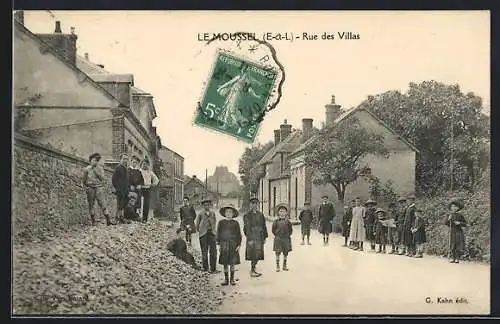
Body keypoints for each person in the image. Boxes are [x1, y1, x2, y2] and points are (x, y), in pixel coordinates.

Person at [82, 152, 113, 226]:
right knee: (91, 204)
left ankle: (108, 220)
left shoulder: (100, 168)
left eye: (96, 160)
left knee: (103, 203)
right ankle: (93, 221)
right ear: (90, 160)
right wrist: (87, 186)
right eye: (93, 160)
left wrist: (95, 171)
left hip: (98, 187)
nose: (95, 161)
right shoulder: (86, 169)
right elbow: (84, 180)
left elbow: (102, 178)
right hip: (90, 188)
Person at [216, 203, 242, 286]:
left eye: (230, 212)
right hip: (224, 244)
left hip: (233, 245)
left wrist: (238, 245)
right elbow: (218, 234)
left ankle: (232, 279)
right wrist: (219, 244)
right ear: (224, 213)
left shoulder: (236, 223)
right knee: (225, 262)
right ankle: (226, 279)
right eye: (227, 212)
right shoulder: (221, 223)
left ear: (233, 214)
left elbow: (239, 235)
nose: (228, 214)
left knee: (232, 262)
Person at [243, 196, 268, 277]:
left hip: (259, 236)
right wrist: (249, 238)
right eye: (252, 203)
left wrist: (264, 237)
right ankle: (252, 269)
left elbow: (264, 226)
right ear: (250, 205)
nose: (254, 205)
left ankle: (254, 267)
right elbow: (246, 228)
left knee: (258, 253)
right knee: (253, 253)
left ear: (258, 205)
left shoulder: (260, 215)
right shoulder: (247, 215)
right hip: (252, 236)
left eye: (256, 203)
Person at [196, 198, 218, 273]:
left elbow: (214, 222)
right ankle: (205, 268)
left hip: (211, 233)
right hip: (203, 234)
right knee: (204, 251)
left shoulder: (213, 213)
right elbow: (197, 225)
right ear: (203, 206)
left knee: (213, 251)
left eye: (208, 205)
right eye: (205, 205)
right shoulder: (200, 214)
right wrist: (202, 230)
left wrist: (213, 231)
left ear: (210, 205)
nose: (206, 207)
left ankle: (213, 268)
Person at [272, 203, 293, 272]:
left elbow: (290, 230)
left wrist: (287, 236)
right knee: (277, 252)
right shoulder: (276, 221)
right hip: (278, 238)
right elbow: (273, 230)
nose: (282, 213)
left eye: (284, 211)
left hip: (286, 239)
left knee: (285, 252)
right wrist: (277, 235)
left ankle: (284, 265)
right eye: (280, 211)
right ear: (278, 212)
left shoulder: (288, 222)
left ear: (286, 213)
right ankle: (277, 266)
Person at [111, 153, 131, 224]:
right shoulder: (118, 168)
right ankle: (116, 218)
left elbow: (127, 180)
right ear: (120, 159)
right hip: (120, 189)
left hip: (125, 190)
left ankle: (121, 218)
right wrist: (117, 188)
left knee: (123, 204)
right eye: (124, 159)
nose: (125, 160)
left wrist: (127, 190)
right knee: (119, 204)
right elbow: (114, 179)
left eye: (127, 159)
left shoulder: (125, 169)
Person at [445, 199, 467, 264]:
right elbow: (446, 223)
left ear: (458, 208)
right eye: (452, 207)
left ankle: (457, 258)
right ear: (450, 208)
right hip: (452, 231)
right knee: (452, 245)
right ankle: (453, 258)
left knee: (458, 244)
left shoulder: (460, 215)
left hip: (458, 231)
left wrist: (459, 223)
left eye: (455, 207)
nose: (454, 208)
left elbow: (465, 224)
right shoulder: (449, 215)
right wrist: (448, 219)